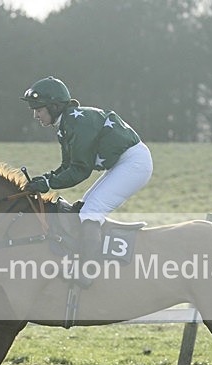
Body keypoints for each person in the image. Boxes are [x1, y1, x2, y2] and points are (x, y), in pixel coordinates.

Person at [21, 76, 153, 287]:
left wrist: (49, 183)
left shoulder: (77, 122)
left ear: (54, 106)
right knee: (82, 208)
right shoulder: (66, 123)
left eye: (39, 108)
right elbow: (67, 167)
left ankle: (88, 272)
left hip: (134, 164)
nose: (35, 115)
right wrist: (45, 179)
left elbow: (80, 171)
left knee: (90, 212)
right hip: (124, 162)